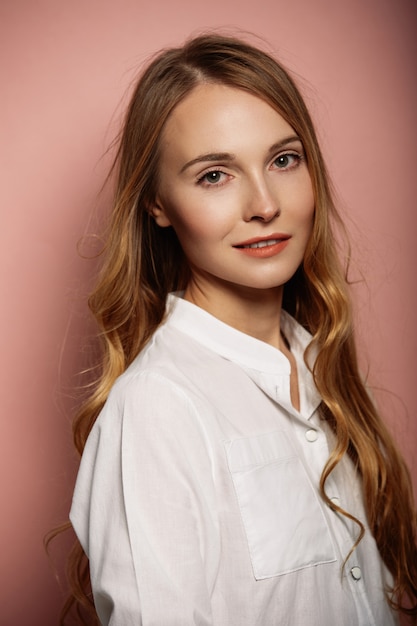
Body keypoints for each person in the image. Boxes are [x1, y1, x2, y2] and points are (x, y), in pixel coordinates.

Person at [66, 33, 417, 625]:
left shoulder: (319, 365)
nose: (264, 204)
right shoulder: (159, 408)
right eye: (214, 175)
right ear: (158, 203)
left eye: (284, 160)